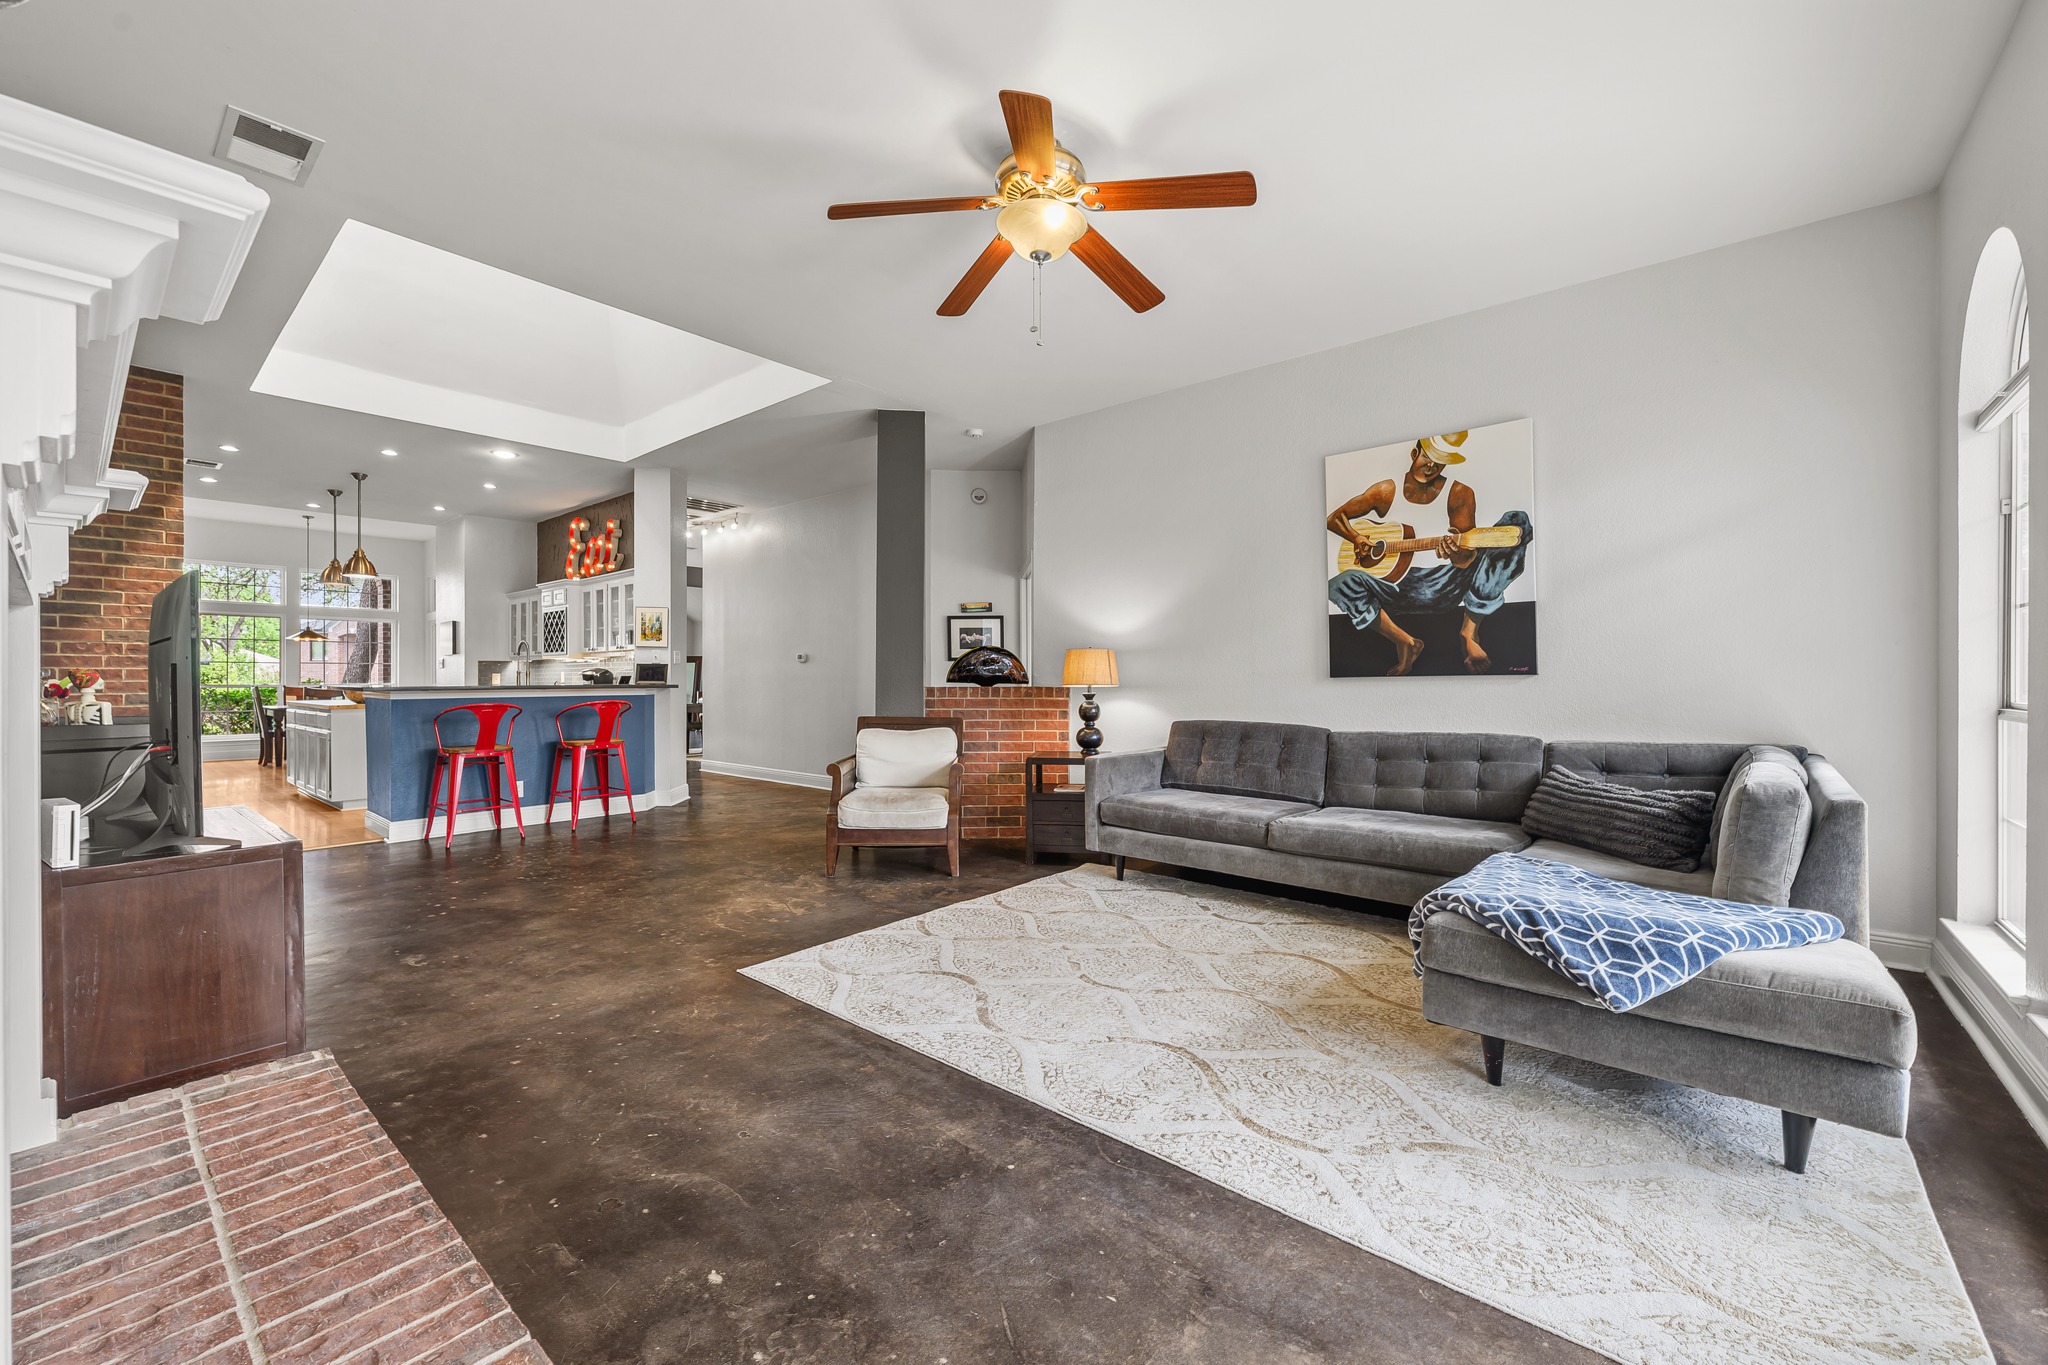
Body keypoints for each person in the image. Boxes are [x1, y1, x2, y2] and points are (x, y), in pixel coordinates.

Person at [1326, 431, 1532, 675]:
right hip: (1394, 588)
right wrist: (1356, 537)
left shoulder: (1459, 493)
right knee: (1337, 584)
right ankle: (1405, 641)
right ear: (1414, 453)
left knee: (1517, 520)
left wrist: (1456, 554)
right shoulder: (1386, 491)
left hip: (1445, 583)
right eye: (1428, 457)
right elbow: (1333, 518)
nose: (1432, 466)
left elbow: (1466, 560)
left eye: (1440, 461)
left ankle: (1469, 632)